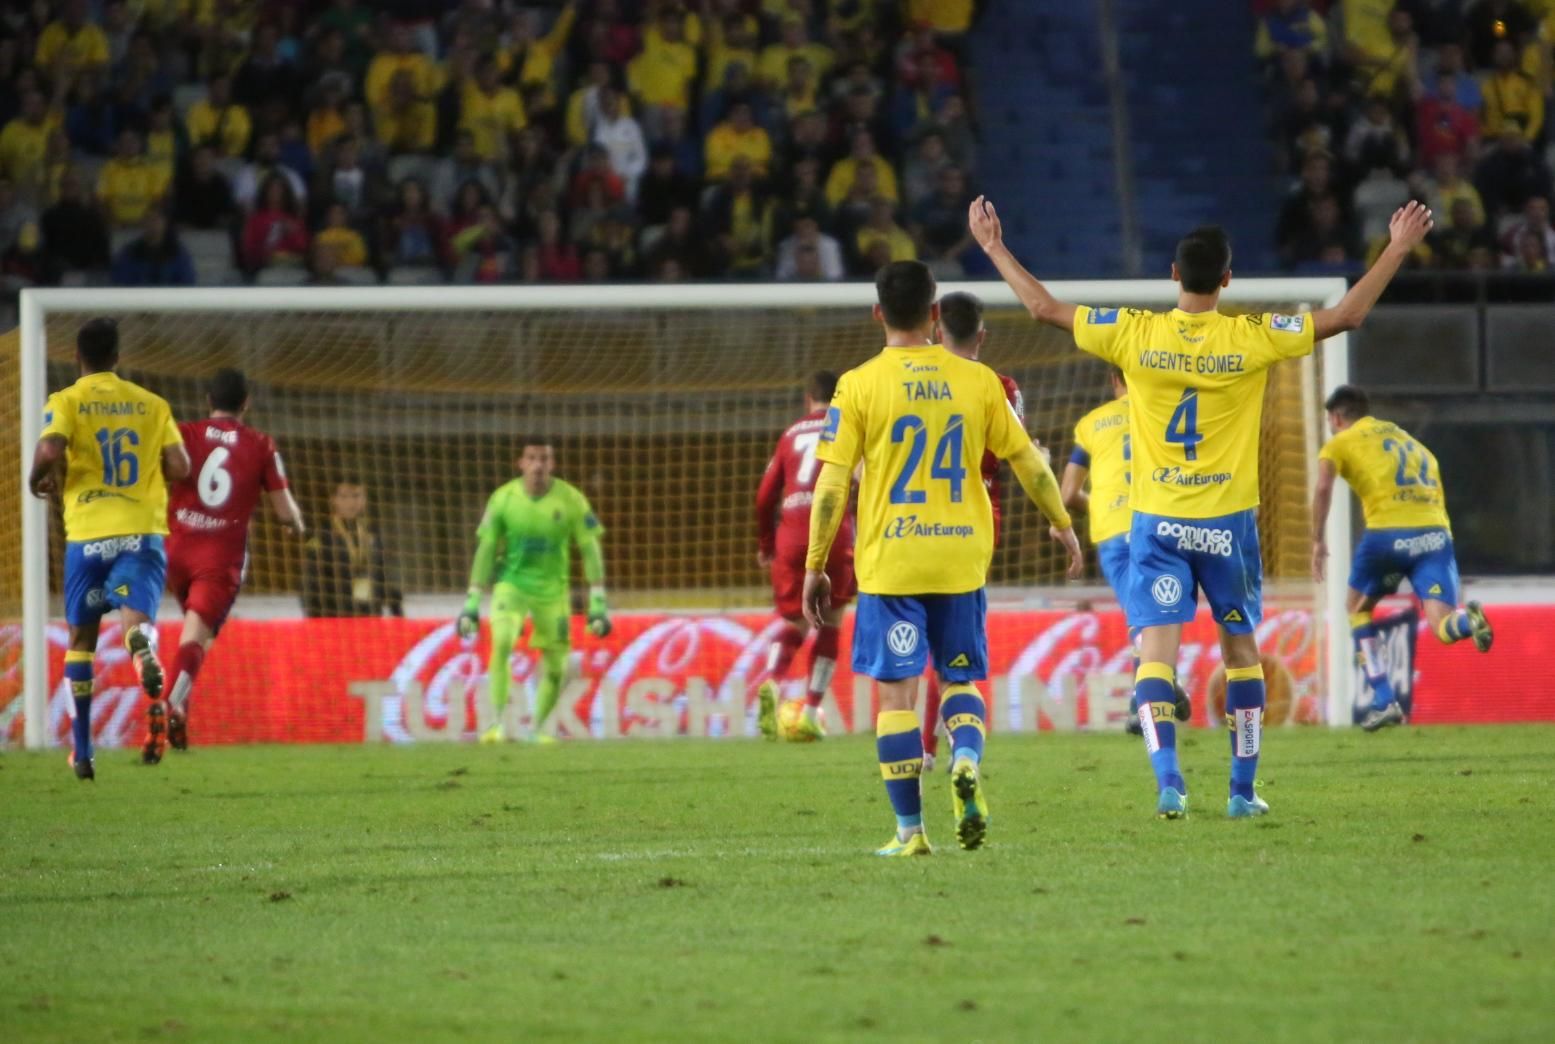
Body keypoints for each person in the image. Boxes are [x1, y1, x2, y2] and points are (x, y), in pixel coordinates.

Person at [971, 193, 1435, 819]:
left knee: (1155, 657)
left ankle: (1170, 783)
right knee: (1241, 655)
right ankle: (1241, 792)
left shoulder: (1134, 332)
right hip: (1226, 527)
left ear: (1173, 275)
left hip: (1156, 523)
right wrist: (1397, 247)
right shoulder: (1252, 337)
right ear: (1227, 279)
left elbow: (1042, 307)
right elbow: (1348, 314)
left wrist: (994, 245)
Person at [803, 261, 1082, 856]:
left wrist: (816, 563)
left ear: (877, 313)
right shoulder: (979, 381)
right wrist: (1062, 524)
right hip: (960, 558)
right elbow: (1029, 461)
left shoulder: (857, 385)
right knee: (959, 678)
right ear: (934, 314)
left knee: (896, 697)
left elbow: (831, 484)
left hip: (893, 561)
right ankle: (966, 758)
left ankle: (910, 831)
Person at [27, 318, 191, 780]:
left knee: (81, 641)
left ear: (77, 357)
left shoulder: (66, 400)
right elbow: (180, 466)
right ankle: (140, 646)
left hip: (88, 534)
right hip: (140, 532)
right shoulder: (152, 404)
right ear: (118, 357)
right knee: (135, 620)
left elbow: (50, 450)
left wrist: (35, 478)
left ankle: (83, 752)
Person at [1311, 385, 1492, 732]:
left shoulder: (1339, 443)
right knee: (1443, 626)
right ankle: (1469, 623)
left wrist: (1317, 540)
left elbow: (1322, 487)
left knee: (1356, 608)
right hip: (1435, 536)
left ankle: (1384, 700)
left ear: (1335, 418)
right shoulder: (1406, 438)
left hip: (1388, 536)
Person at [153, 369, 305, 762]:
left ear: (208, 400)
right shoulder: (260, 444)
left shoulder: (185, 433)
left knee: (198, 637)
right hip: (218, 559)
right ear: (246, 403)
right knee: (195, 638)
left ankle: (180, 709)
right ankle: (171, 704)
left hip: (174, 551)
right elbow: (284, 509)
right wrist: (296, 525)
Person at [918, 291, 1028, 767]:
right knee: (951, 645)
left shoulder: (913, 383)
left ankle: (921, 748)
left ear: (936, 330)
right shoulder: (1001, 387)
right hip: (976, 522)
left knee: (919, 639)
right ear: (982, 336)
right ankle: (950, 744)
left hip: (915, 519)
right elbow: (1014, 452)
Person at [1060, 366, 1191, 736]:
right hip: (1161, 524)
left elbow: (1067, 494)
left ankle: (1145, 699)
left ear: (1113, 380)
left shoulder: (1092, 424)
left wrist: (1102, 507)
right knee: (1156, 615)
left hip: (1114, 532)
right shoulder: (1166, 414)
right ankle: (1153, 690)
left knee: (1141, 617)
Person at [457, 439, 609, 743]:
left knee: (555, 666)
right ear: (521, 463)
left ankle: (538, 729)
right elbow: (486, 548)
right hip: (511, 585)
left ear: (552, 464)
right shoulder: (503, 499)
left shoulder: (571, 499)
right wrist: (472, 600)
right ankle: (494, 726)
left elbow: (589, 547)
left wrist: (598, 602)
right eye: (532, 458)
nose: (538, 465)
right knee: (501, 642)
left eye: (544, 458)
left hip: (553, 592)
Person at [753, 372, 856, 742]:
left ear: (807, 399)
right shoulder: (849, 428)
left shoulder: (790, 434)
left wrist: (767, 544)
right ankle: (811, 711)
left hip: (793, 534)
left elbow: (764, 497)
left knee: (795, 621)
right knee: (831, 621)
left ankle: (772, 679)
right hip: (835, 532)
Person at [302, 478, 402, 618]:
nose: (351, 503)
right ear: (333, 500)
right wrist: (315, 616)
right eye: (344, 497)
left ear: (364, 500)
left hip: (370, 613)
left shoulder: (371, 534)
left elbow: (381, 575)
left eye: (356, 496)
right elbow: (310, 581)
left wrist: (397, 609)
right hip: (335, 615)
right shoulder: (321, 536)